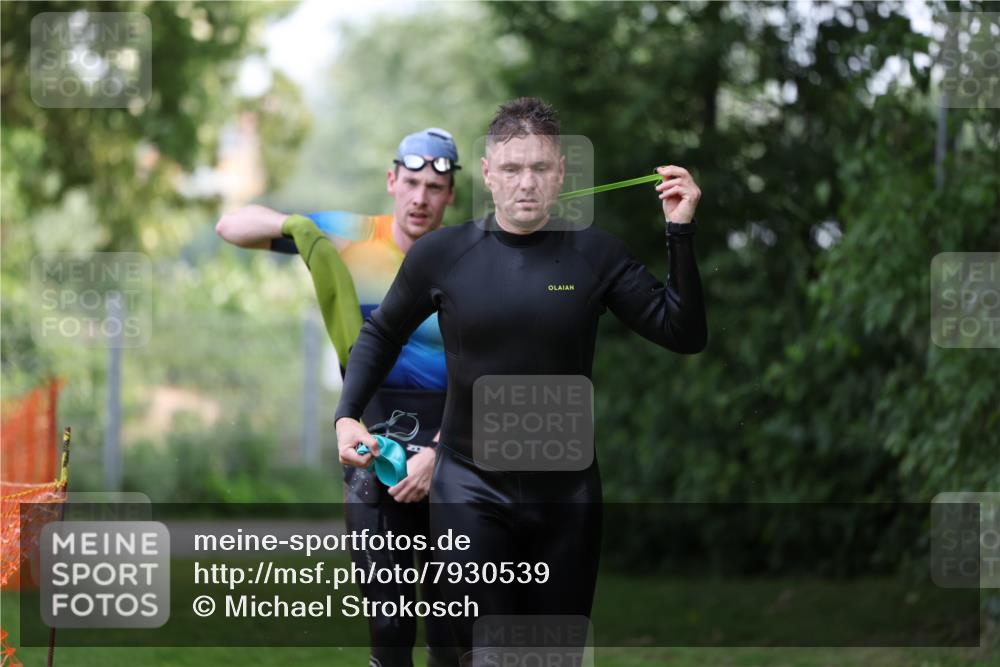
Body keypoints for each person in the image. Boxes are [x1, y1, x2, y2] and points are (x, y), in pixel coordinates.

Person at [334, 98, 707, 663]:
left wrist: (680, 232)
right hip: (469, 491)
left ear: (560, 173)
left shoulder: (594, 255)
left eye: (539, 168)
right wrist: (346, 415)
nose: (525, 183)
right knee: (491, 655)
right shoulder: (446, 255)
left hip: (568, 498)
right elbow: (380, 334)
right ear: (487, 174)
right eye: (511, 169)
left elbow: (683, 332)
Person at [215, 128, 462, 667]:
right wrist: (296, 226)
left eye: (435, 188)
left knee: (454, 629)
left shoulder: (467, 255)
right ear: (392, 181)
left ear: (451, 196)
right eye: (412, 183)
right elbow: (229, 225)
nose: (421, 199)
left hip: (453, 441)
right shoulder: (348, 238)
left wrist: (441, 451)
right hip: (371, 438)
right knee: (389, 623)